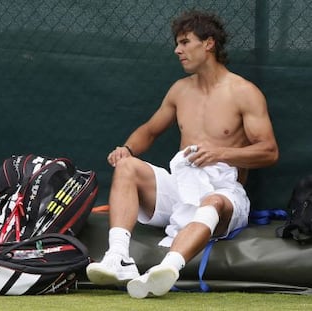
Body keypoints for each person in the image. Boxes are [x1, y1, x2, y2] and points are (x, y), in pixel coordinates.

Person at [86, 10, 279, 299]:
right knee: (127, 167)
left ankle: (166, 269)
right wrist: (125, 150)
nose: (178, 50)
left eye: (185, 42)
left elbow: (269, 151)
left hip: (222, 191)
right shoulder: (179, 90)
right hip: (179, 189)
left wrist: (221, 152)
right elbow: (149, 131)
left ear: (209, 44)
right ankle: (119, 258)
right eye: (177, 44)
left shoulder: (244, 92)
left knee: (212, 201)